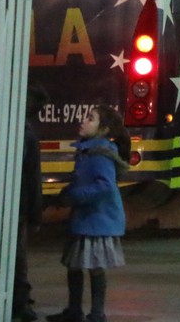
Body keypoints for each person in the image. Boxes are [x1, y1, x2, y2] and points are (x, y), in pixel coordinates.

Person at [47, 105, 131, 322]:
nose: (83, 121)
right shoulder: (86, 150)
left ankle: (96, 314)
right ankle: (75, 310)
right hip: (86, 218)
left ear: (103, 129)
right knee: (74, 265)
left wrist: (76, 195)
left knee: (94, 267)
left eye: (90, 118)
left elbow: (105, 186)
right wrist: (66, 193)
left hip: (97, 220)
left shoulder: (100, 154)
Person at [14, 85, 47, 322]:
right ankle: (20, 301)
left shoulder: (13, 132)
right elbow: (34, 179)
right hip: (20, 207)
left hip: (14, 206)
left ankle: (18, 300)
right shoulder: (28, 134)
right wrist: (36, 214)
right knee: (17, 257)